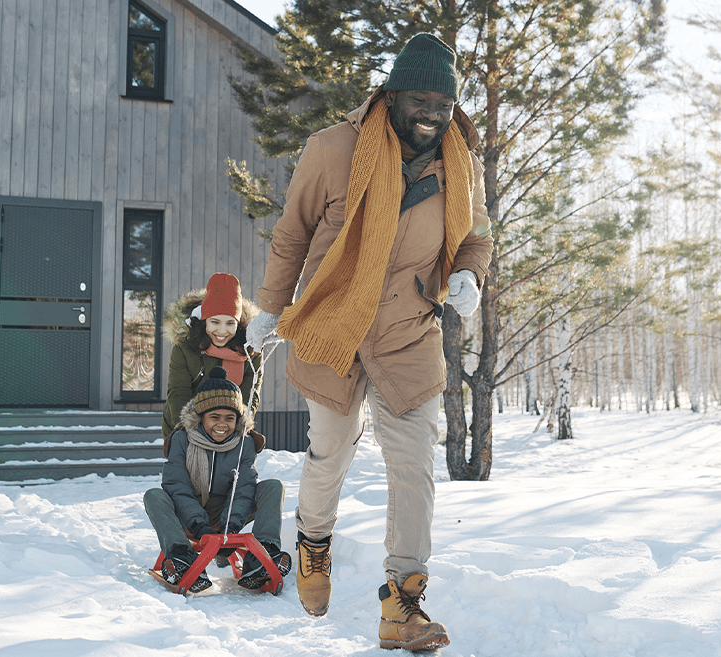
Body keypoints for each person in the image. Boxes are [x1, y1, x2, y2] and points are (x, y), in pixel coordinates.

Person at [245, 33, 492, 652]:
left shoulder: (461, 165)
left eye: (444, 102)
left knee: (413, 466)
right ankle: (313, 545)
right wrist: (269, 308)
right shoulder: (333, 148)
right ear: (392, 95)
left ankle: (402, 602)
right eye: (420, 101)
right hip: (333, 327)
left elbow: (476, 237)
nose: (432, 114)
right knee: (330, 452)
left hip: (409, 335)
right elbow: (292, 235)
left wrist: (467, 274)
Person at [143, 367, 292, 593]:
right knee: (154, 495)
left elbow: (244, 487)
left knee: (273, 487)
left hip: (230, 513)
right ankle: (182, 557)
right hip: (189, 514)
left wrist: (230, 528)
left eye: (230, 418)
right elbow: (177, 487)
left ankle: (264, 554)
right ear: (200, 417)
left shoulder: (245, 443)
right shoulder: (182, 439)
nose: (222, 424)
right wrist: (199, 526)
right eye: (214, 417)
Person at [162, 272, 262, 452]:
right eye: (215, 322)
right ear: (204, 321)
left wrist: (237, 428)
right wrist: (190, 433)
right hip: (185, 428)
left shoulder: (250, 351)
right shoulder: (185, 347)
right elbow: (178, 392)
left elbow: (250, 395)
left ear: (238, 324)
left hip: (228, 431)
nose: (222, 331)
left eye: (230, 323)